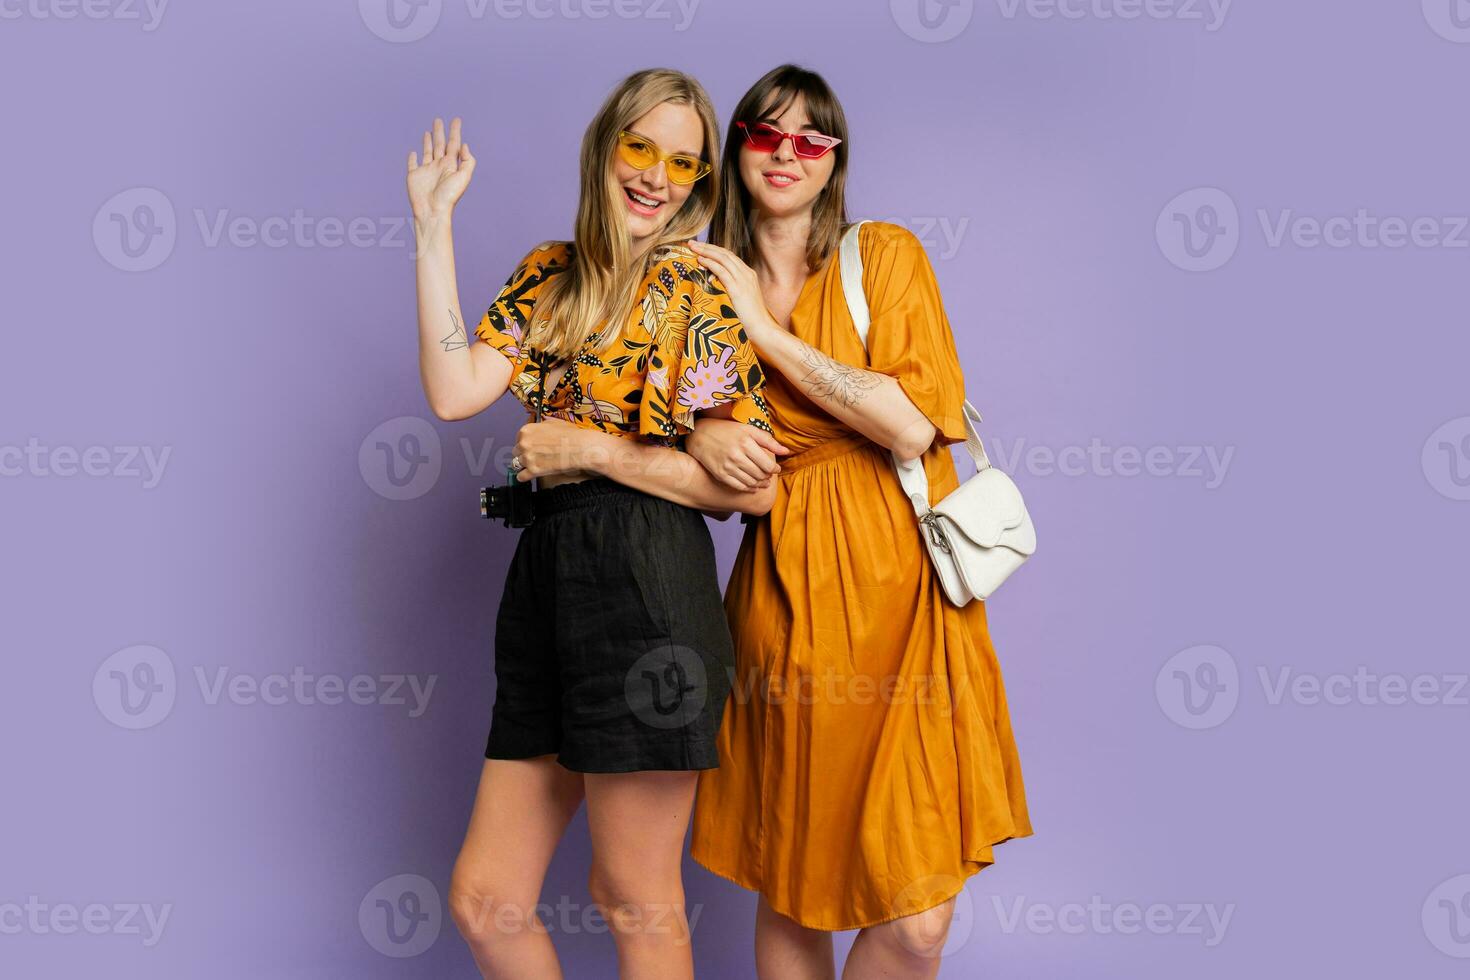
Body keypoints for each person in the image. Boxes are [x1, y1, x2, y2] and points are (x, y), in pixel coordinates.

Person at [408, 68, 775, 979]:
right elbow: (457, 392)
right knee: (487, 901)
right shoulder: (548, 274)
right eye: (641, 147)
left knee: (633, 894)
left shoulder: (696, 290)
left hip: (649, 588)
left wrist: (594, 450)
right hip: (546, 584)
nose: (657, 175)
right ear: (605, 147)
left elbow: (752, 489)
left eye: (684, 163)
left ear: (699, 184)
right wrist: (433, 225)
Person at [684, 64, 1034, 980]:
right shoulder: (697, 291)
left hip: (909, 596)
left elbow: (911, 424)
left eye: (811, 139)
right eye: (766, 133)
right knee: (795, 880)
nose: (786, 153)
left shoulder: (882, 254)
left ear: (835, 160)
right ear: (739, 149)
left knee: (916, 921)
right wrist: (708, 446)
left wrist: (766, 330)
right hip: (785, 603)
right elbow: (711, 467)